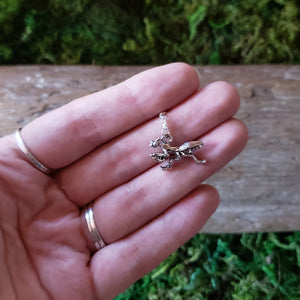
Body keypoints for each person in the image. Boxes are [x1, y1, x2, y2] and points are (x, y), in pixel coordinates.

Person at [0, 63, 248, 300]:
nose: (160, 154)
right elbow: (168, 154)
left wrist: (169, 137)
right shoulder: (168, 154)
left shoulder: (173, 152)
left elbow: (170, 150)